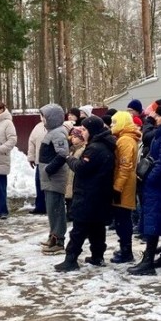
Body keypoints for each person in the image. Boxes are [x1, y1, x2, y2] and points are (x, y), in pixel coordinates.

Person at [55, 116, 116, 272]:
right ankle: (97, 256)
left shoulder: (95, 148)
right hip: (99, 193)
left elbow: (82, 168)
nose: (82, 132)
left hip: (89, 194)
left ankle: (71, 259)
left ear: (92, 130)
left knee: (79, 228)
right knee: (97, 226)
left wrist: (69, 159)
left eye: (85, 129)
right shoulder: (104, 144)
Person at [128, 100, 161, 275]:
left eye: (158, 115)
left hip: (160, 183)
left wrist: (150, 178)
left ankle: (148, 260)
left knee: (153, 219)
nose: (155, 117)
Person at [38, 104, 70, 254]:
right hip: (49, 178)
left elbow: (63, 154)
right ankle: (53, 235)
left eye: (45, 117)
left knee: (56, 208)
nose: (43, 120)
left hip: (54, 177)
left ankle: (59, 239)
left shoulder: (58, 133)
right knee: (51, 209)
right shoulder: (52, 132)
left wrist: (49, 169)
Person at [110, 111, 141, 264]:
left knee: (123, 219)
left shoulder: (125, 140)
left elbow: (125, 165)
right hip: (125, 184)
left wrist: (117, 187)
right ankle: (124, 247)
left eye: (115, 123)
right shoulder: (125, 138)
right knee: (122, 218)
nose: (111, 126)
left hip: (124, 186)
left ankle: (126, 250)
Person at [27, 117, 47, 215]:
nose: (43, 117)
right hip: (40, 161)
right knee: (39, 183)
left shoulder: (56, 126)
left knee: (50, 185)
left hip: (53, 161)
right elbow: (31, 142)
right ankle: (40, 206)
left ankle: (51, 207)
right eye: (41, 115)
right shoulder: (38, 127)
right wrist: (31, 157)